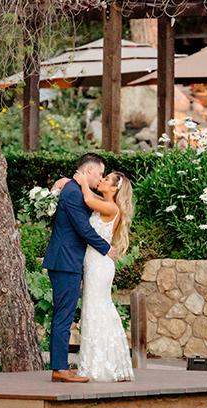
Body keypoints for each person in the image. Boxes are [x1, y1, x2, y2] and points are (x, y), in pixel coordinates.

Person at [43, 153, 119, 383]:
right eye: (100, 173)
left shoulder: (76, 190)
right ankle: (59, 368)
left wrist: (66, 181)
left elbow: (92, 207)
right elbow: (83, 229)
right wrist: (106, 248)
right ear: (88, 171)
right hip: (65, 262)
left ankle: (60, 366)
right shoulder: (74, 193)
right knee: (63, 316)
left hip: (67, 261)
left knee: (63, 314)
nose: (101, 177)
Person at [53, 170, 135, 383]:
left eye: (106, 179)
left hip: (99, 264)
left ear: (115, 189)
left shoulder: (111, 207)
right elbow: (87, 196)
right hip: (92, 262)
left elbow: (87, 199)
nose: (102, 179)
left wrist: (82, 183)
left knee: (98, 309)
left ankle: (101, 365)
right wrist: (63, 183)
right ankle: (93, 362)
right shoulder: (103, 201)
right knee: (92, 310)